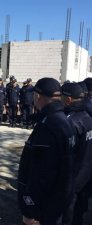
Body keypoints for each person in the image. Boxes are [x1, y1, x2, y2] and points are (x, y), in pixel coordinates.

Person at [18, 77, 75, 225]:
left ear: (37, 96)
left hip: (44, 208)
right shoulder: (65, 120)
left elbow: (39, 174)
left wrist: (29, 210)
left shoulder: (47, 126)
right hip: (59, 200)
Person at [60, 82, 92, 225]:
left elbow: (63, 156)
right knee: (79, 214)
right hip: (86, 177)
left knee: (68, 216)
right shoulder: (88, 118)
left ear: (68, 99)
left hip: (71, 180)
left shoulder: (70, 122)